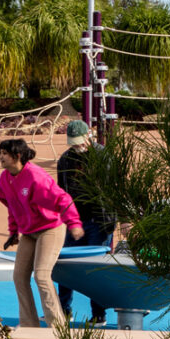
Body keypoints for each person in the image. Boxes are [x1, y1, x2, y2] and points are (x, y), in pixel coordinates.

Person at [0, 137, 84, 328]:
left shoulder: (36, 177)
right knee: (19, 276)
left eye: (5, 153)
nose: (0, 157)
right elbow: (12, 206)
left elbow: (63, 199)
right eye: (0, 153)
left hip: (51, 228)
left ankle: (58, 326)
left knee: (42, 275)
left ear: (17, 156)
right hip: (29, 231)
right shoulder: (4, 179)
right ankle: (29, 324)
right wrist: (13, 231)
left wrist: (74, 223)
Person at [55, 121, 114, 326]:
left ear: (89, 136)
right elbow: (62, 192)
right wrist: (68, 220)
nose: (76, 146)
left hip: (99, 220)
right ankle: (63, 311)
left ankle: (99, 315)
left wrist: (112, 221)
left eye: (79, 142)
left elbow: (111, 189)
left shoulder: (103, 156)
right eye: (73, 143)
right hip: (75, 221)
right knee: (66, 266)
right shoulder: (66, 159)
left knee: (96, 269)